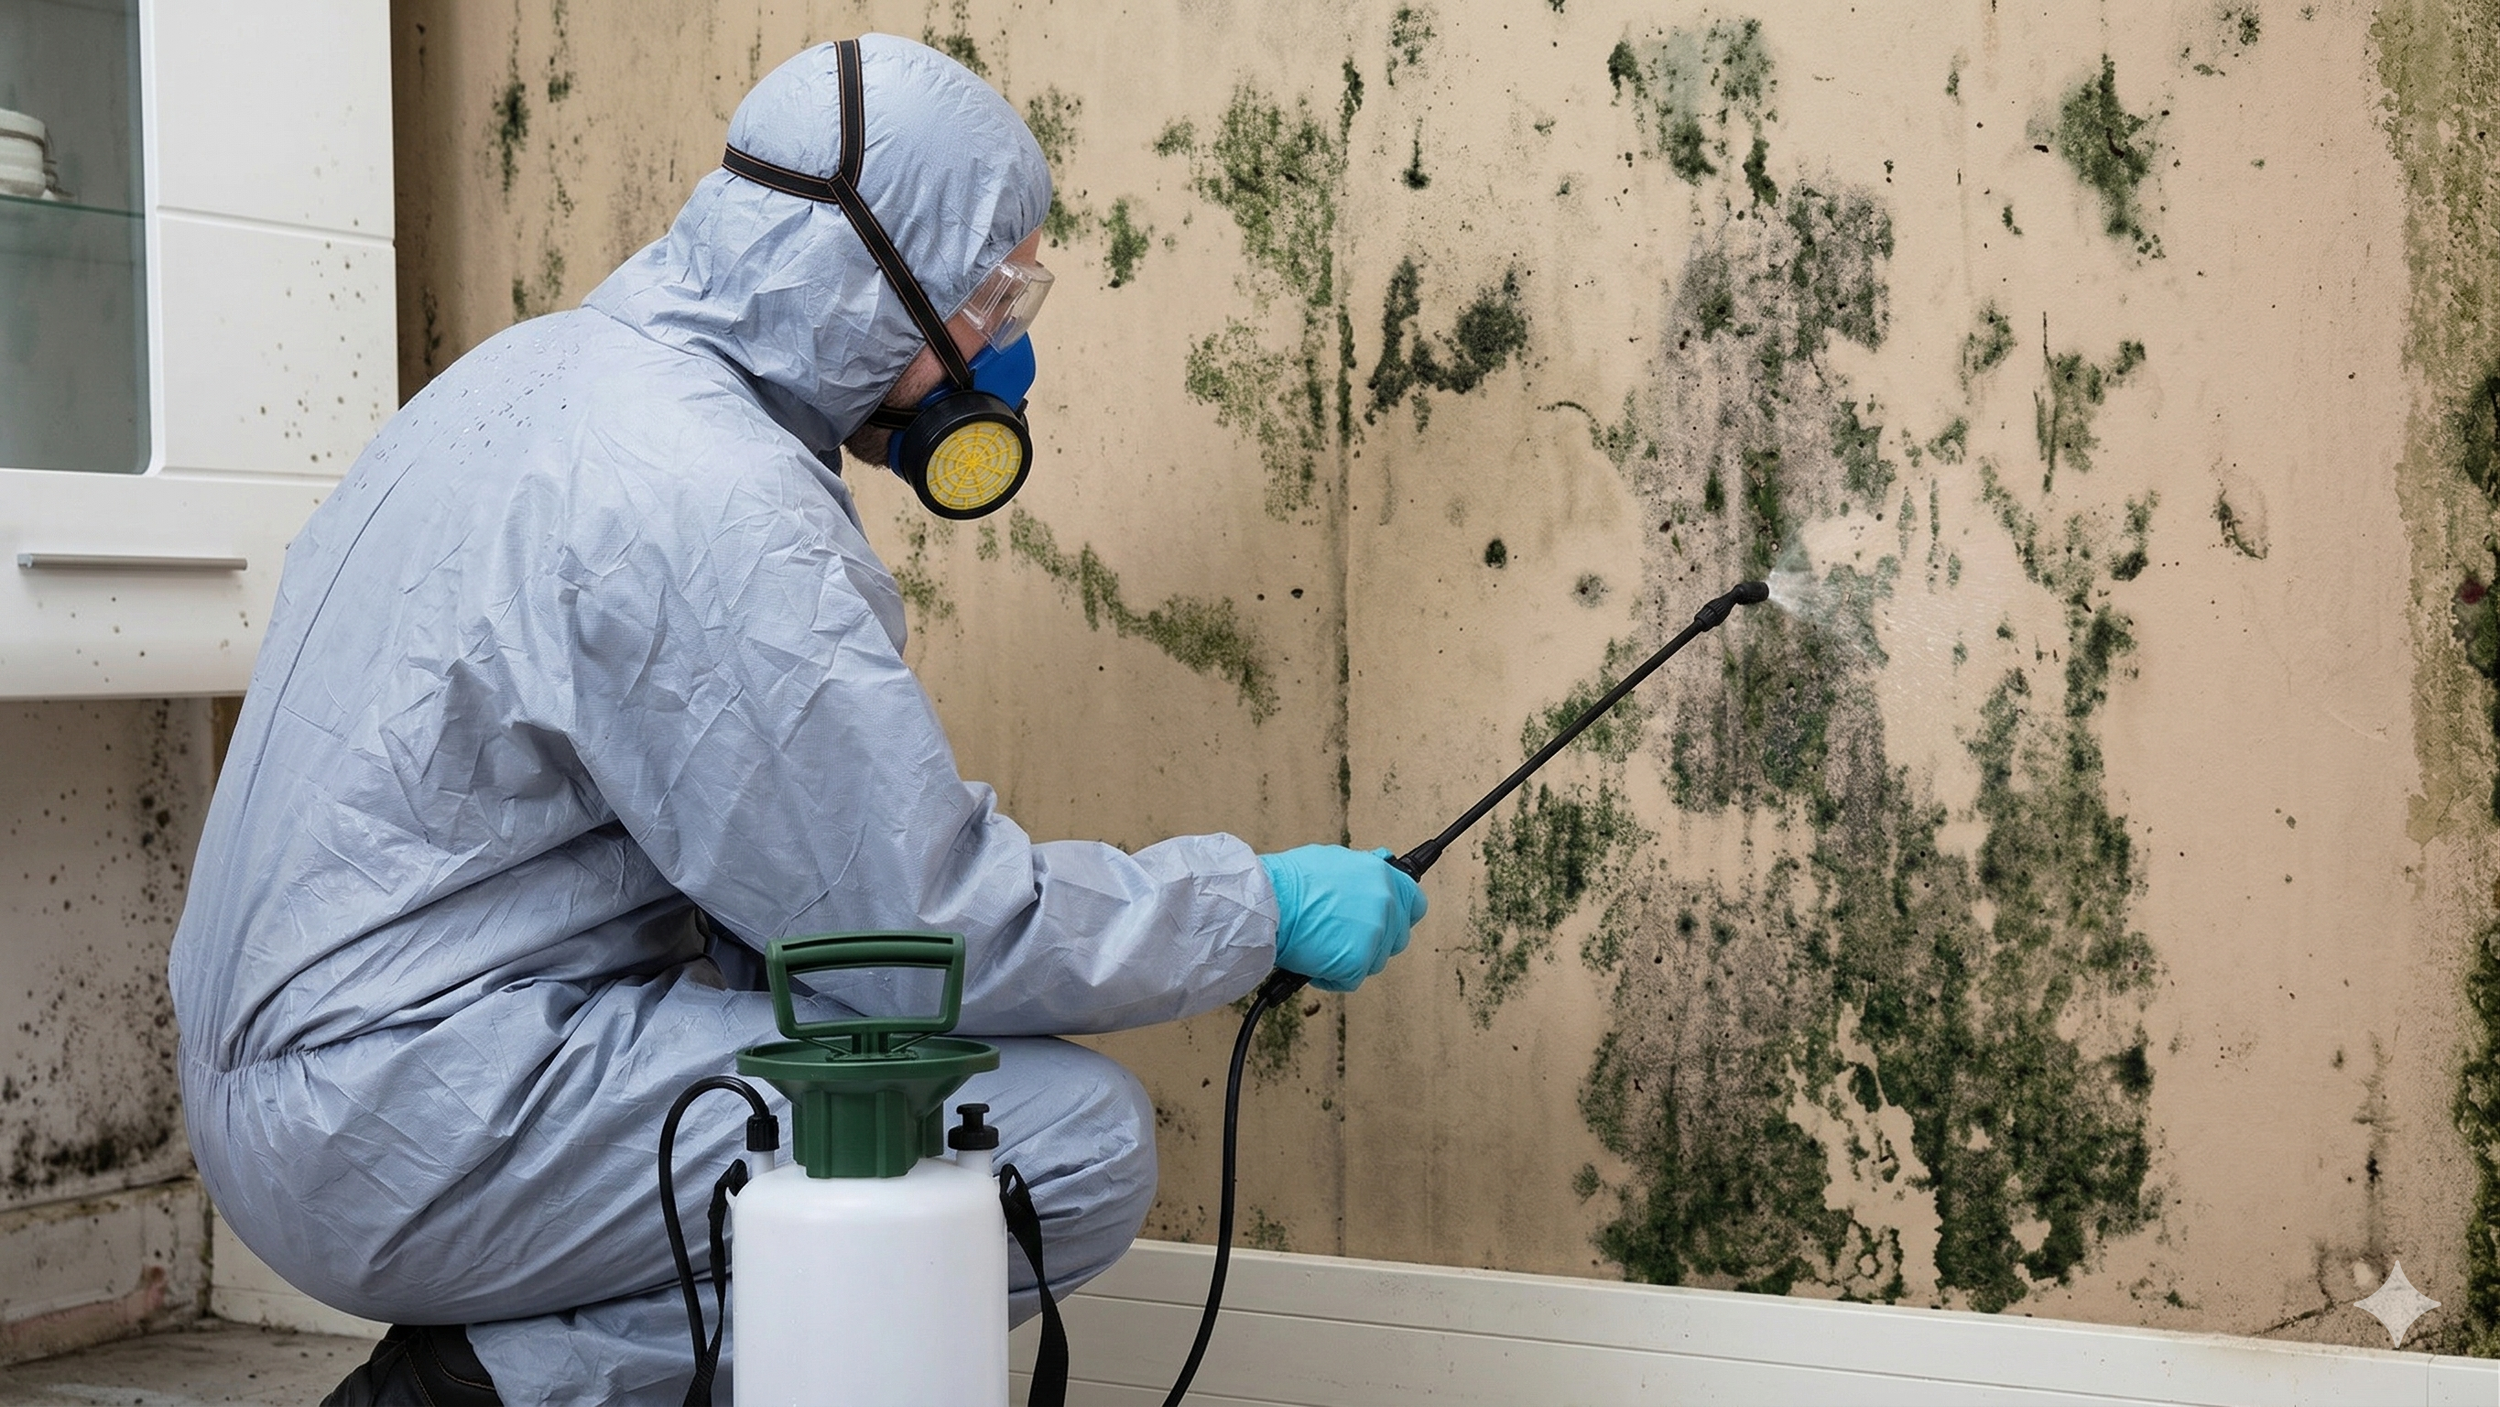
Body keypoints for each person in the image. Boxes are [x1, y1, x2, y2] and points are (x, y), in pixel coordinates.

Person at [167, 35, 1425, 1407]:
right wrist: (1256, 906)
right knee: (1063, 1147)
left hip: (316, 1085)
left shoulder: (544, 373)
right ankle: (479, 1393)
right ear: (876, 275)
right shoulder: (711, 497)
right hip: (396, 1120)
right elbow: (928, 931)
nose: (1004, 346)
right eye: (994, 295)